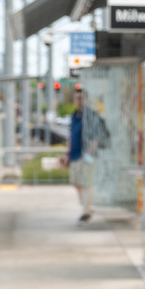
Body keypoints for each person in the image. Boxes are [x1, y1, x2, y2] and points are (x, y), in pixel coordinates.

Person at [66, 85, 91, 223]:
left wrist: (88, 154)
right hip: (74, 153)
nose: (78, 100)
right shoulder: (74, 116)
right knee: (75, 182)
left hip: (85, 155)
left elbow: (95, 137)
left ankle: (86, 209)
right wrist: (67, 154)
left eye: (81, 98)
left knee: (86, 182)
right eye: (76, 98)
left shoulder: (89, 115)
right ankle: (85, 205)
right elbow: (70, 135)